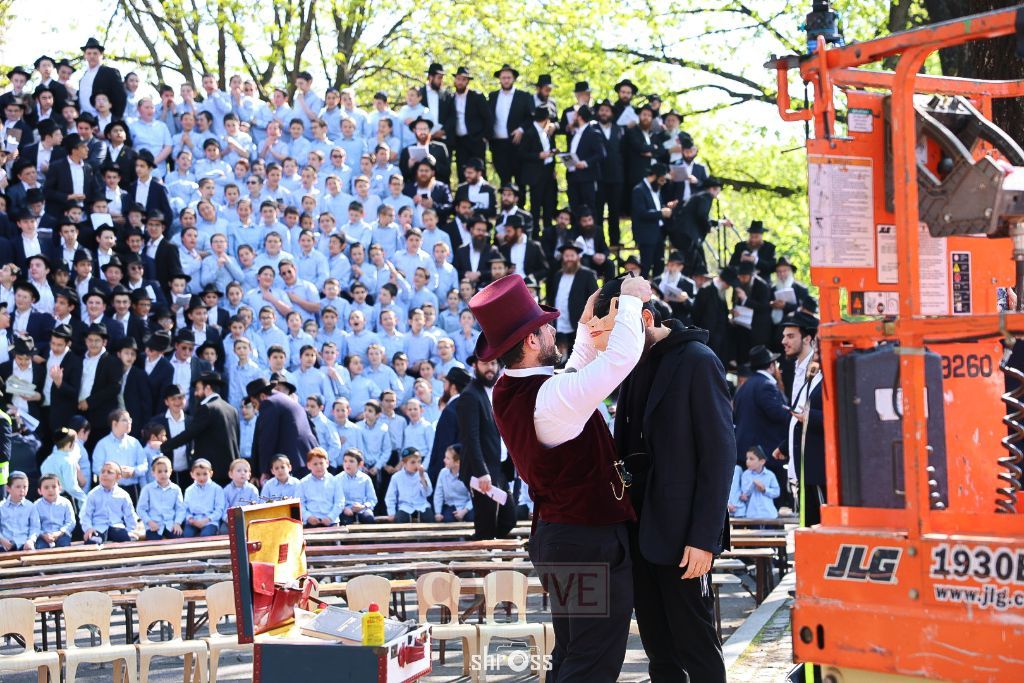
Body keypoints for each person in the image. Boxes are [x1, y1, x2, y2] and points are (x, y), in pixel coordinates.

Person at [471, 273, 651, 681]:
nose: (554, 330)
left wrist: (587, 329)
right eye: (546, 327)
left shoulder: (514, 387)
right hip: (586, 542)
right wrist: (629, 301)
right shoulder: (549, 397)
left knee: (573, 652)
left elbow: (572, 378)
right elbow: (618, 361)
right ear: (532, 342)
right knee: (592, 660)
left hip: (564, 538)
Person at [594, 276, 734, 682]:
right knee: (659, 652)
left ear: (645, 318)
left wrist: (704, 539)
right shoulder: (633, 363)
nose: (618, 343)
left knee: (698, 647)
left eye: (621, 329)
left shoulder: (698, 360)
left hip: (684, 539)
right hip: (639, 533)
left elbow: (719, 455)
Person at [456, 355, 514, 539]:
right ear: (475, 365)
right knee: (486, 526)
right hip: (482, 472)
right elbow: (470, 439)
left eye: (493, 363)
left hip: (499, 468)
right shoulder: (470, 395)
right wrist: (481, 472)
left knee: (509, 520)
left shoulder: (496, 390)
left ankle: (489, 551)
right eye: (484, 363)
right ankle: (479, 554)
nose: (490, 367)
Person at [733, 345, 791, 508]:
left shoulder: (744, 387)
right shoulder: (766, 385)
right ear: (771, 365)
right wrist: (795, 414)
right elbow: (777, 414)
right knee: (771, 504)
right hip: (766, 456)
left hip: (747, 453)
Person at [160, 371, 240, 485]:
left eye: (198, 389)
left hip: (211, 472)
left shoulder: (207, 408)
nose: (195, 393)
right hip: (230, 472)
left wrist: (164, 446)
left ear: (207, 388)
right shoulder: (232, 409)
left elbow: (189, 434)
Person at [545, 238, 599, 358]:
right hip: (560, 323)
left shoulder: (588, 275)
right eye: (566, 256)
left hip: (579, 323)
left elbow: (595, 299)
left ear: (578, 257)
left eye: (572, 256)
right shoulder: (558, 275)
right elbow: (552, 297)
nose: (569, 259)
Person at [81, 461, 138, 544]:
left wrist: (130, 530)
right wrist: (88, 528)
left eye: (109, 472)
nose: (105, 474)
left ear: (118, 477)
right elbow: (85, 515)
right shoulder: (92, 494)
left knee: (126, 539)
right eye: (102, 472)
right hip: (98, 528)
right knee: (91, 541)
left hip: (117, 527)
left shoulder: (123, 495)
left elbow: (130, 515)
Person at [137, 455, 186, 540]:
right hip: (154, 525)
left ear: (170, 472)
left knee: (180, 540)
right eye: (159, 471)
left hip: (171, 524)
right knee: (153, 544)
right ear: (153, 473)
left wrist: (177, 523)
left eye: (166, 471)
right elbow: (140, 509)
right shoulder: (147, 489)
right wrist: (149, 522)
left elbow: (180, 509)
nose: (163, 474)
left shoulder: (176, 489)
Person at [40, 426, 88, 509]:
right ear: (69, 444)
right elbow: (71, 487)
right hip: (65, 501)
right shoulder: (68, 461)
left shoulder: (48, 460)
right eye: (75, 442)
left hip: (47, 500)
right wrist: (85, 499)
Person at [384, 446, 433, 522]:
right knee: (401, 518)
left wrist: (422, 478)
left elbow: (428, 493)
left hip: (421, 505)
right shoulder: (396, 477)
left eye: (419, 461)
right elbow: (390, 497)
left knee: (429, 516)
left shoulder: (423, 474)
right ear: (404, 463)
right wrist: (391, 513)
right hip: (405, 507)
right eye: (413, 462)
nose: (417, 465)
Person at [298, 447, 342, 527]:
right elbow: (300, 503)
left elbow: (340, 502)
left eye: (321, 463)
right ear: (308, 465)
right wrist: (308, 517)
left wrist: (330, 517)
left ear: (327, 463)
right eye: (315, 464)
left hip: (331, 522)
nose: (319, 466)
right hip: (311, 522)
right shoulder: (303, 483)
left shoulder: (335, 481)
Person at [182, 458, 224, 537]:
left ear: (211, 473)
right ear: (192, 474)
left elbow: (219, 509)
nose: (201, 478)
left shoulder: (217, 489)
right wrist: (191, 519)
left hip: (210, 521)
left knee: (206, 535)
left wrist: (207, 520)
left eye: (205, 474)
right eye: (198, 474)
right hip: (193, 521)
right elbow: (185, 509)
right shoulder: (189, 490)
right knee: (187, 535)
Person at [736, 446, 780, 519]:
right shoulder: (745, 475)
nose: (747, 461)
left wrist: (764, 489)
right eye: (747, 458)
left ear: (762, 461)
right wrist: (753, 484)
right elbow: (745, 493)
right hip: (752, 515)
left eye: (751, 459)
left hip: (769, 514)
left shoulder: (770, 475)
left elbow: (777, 492)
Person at [34, 473, 76, 548]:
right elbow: (34, 524)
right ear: (39, 491)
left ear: (60, 488)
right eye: (46, 488)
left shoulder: (65, 503)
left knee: (63, 546)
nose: (50, 490)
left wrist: (60, 532)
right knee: (41, 548)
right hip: (43, 536)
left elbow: (71, 522)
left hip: (62, 534)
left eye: (54, 487)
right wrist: (43, 534)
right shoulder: (36, 505)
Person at [0, 471, 40, 551]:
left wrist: (31, 540)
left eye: (25, 487)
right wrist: (2, 541)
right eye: (18, 487)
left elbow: (35, 527)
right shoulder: (1, 506)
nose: (22, 490)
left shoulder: (31, 506)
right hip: (4, 545)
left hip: (24, 545)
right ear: (8, 488)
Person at [434, 444, 474, 522]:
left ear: (457, 462)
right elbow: (438, 494)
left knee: (471, 518)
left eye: (447, 458)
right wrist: (438, 513)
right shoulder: (443, 473)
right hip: (451, 506)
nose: (444, 460)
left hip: (466, 506)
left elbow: (472, 497)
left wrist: (464, 511)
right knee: (447, 520)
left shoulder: (469, 474)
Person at [337, 448, 376, 525]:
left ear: (360, 464)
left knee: (369, 518)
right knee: (345, 521)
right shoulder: (337, 479)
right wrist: (344, 508)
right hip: (345, 509)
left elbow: (372, 499)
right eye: (345, 461)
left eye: (351, 461)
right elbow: (334, 500)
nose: (347, 464)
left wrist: (363, 506)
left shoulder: (366, 479)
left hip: (362, 508)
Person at [222, 458, 259, 527]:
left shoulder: (253, 490)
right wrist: (228, 519)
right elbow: (224, 508)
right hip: (231, 520)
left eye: (245, 471)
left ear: (249, 475)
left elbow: (256, 507)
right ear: (230, 474)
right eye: (239, 471)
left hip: (248, 520)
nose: (242, 473)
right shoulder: (226, 490)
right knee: (223, 530)